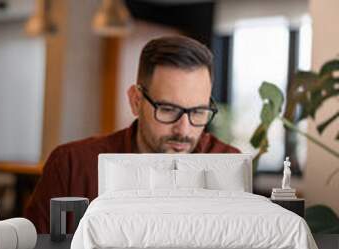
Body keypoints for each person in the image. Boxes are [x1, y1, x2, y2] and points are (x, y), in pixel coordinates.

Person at [24, 36, 240, 233]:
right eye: (168, 109)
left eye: (198, 111)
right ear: (136, 101)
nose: (184, 130)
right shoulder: (71, 165)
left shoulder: (228, 165)